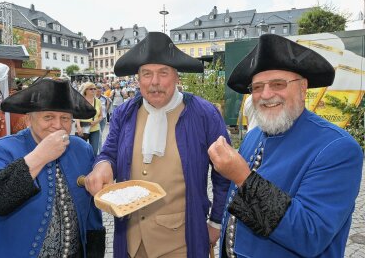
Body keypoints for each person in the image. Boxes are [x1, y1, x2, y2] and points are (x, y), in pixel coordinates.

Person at [208, 34, 364, 258]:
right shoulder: (253, 137)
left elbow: (311, 235)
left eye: (278, 84)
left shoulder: (337, 148)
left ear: (303, 88)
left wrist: (242, 177)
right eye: (257, 87)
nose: (266, 94)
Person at [84, 32, 231, 258]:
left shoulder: (204, 114)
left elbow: (224, 174)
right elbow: (109, 152)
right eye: (146, 74)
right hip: (131, 240)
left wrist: (216, 221)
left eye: (163, 73)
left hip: (181, 242)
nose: (154, 82)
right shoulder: (124, 113)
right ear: (138, 78)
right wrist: (102, 164)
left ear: (176, 76)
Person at [0, 78, 106, 257]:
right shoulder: (2, 150)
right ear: (29, 119)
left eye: (65, 118)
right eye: (48, 117)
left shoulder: (81, 149)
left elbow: (91, 211)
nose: (57, 125)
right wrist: (38, 157)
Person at [76, 82, 103, 155]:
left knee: (94, 151)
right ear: (86, 90)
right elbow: (77, 115)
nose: (94, 90)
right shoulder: (80, 101)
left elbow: (101, 116)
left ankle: (91, 165)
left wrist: (96, 121)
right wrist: (78, 127)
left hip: (95, 129)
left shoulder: (98, 101)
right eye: (91, 89)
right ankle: (83, 165)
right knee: (81, 150)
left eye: (95, 89)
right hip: (82, 128)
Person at [96, 83, 110, 153]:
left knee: (99, 134)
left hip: (103, 118)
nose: (99, 92)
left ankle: (98, 149)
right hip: (97, 119)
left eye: (100, 91)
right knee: (99, 134)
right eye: (97, 91)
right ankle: (100, 150)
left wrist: (106, 111)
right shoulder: (93, 98)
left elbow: (108, 103)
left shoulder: (104, 98)